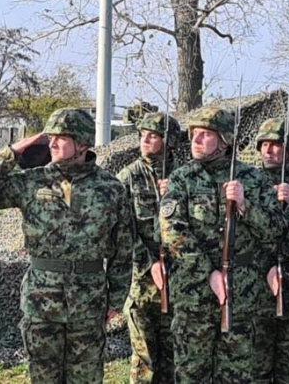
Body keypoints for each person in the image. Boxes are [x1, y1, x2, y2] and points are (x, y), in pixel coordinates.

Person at [0, 108, 136, 383]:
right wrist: (13, 151)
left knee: (86, 377)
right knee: (43, 376)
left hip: (89, 300)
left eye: (61, 137)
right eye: (51, 137)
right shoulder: (33, 181)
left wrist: (116, 299)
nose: (53, 143)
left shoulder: (111, 188)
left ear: (82, 143)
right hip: (41, 299)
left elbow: (123, 248)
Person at [157, 106, 284, 384]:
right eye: (194, 133)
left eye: (205, 134)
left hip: (241, 296)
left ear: (225, 141)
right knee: (191, 373)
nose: (196, 139)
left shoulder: (253, 178)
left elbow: (276, 231)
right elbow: (171, 231)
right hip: (194, 294)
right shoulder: (182, 178)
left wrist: (245, 206)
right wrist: (208, 272)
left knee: (236, 375)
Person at [117, 112, 182, 384]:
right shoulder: (128, 177)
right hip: (141, 283)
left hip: (177, 280)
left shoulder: (184, 177)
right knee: (145, 359)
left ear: (169, 141)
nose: (145, 140)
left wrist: (175, 193)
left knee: (173, 359)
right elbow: (122, 228)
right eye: (143, 134)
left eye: (153, 136)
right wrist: (149, 262)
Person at [252, 118, 289, 384]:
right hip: (255, 286)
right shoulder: (247, 180)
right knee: (255, 366)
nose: (269, 150)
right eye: (264, 144)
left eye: (276, 144)